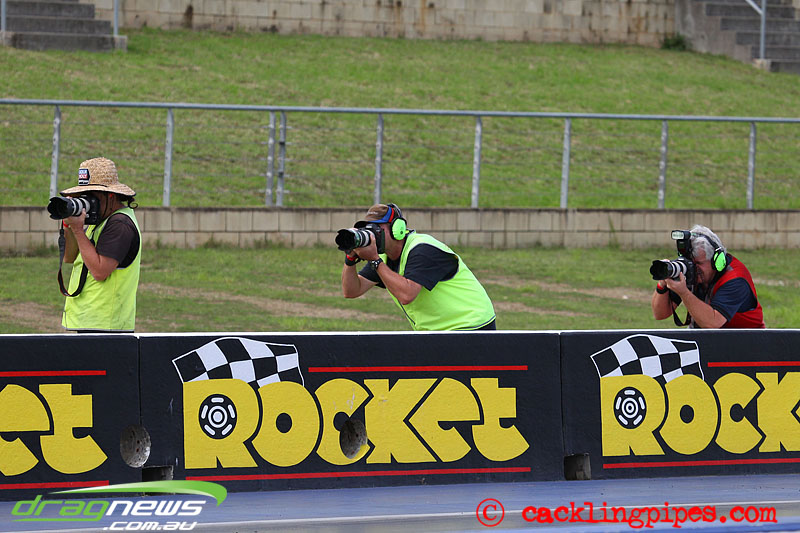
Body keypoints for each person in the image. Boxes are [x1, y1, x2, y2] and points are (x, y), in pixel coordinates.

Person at [341, 203, 496, 331]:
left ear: (397, 229)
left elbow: (407, 295)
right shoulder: (383, 258)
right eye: (367, 230)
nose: (372, 235)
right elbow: (351, 291)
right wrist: (350, 258)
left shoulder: (423, 249)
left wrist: (375, 260)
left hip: (471, 325)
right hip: (436, 333)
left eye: (376, 229)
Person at [60, 157, 142, 332]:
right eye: (83, 195)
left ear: (110, 196)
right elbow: (69, 257)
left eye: (92, 196)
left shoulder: (120, 224)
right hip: (89, 322)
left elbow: (99, 271)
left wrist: (78, 231)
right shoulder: (99, 220)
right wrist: (69, 225)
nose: (87, 201)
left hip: (106, 326)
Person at [651, 224, 764, 328]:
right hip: (706, 337)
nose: (692, 268)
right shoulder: (688, 272)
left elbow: (713, 323)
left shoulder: (735, 278)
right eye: (689, 261)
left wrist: (684, 293)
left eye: (698, 263)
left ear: (716, 261)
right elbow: (660, 314)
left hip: (747, 338)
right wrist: (662, 284)